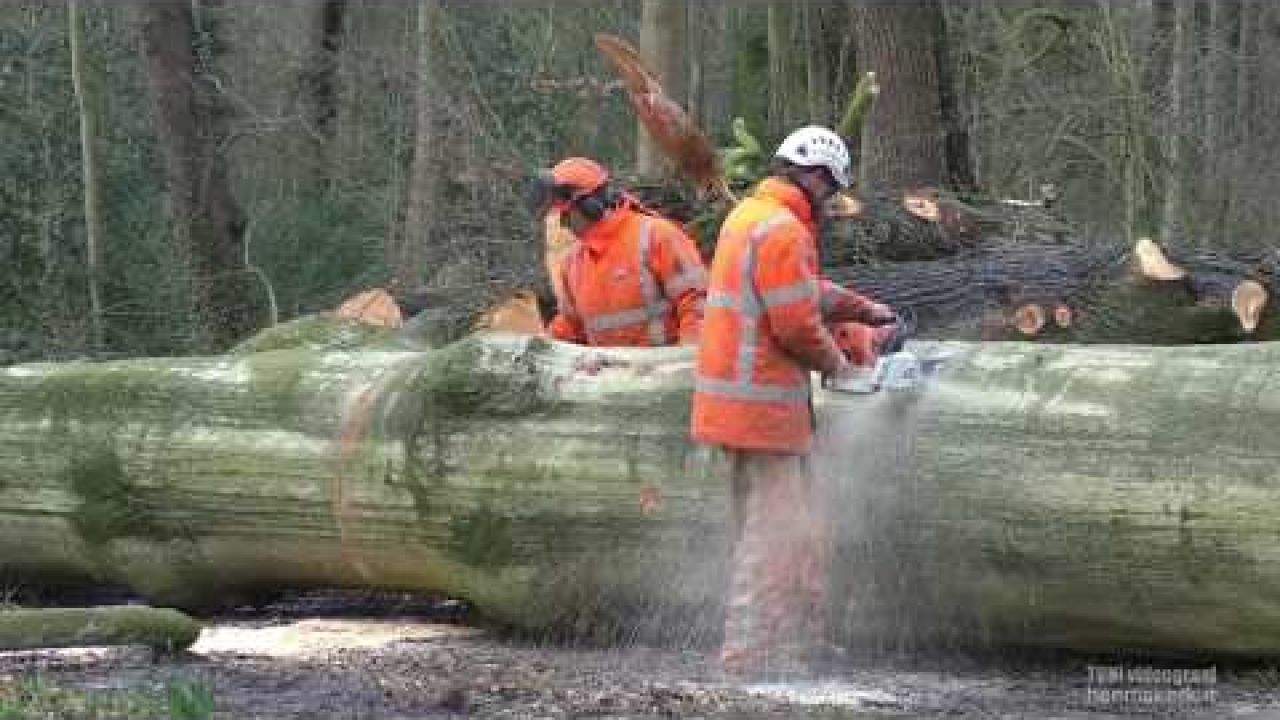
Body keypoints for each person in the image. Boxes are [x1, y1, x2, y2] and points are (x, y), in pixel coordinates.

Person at [690, 126, 897, 679]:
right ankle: (746, 661)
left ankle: (797, 643)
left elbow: (802, 293)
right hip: (761, 410)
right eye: (830, 191)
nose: (830, 202)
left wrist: (861, 310)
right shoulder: (784, 231)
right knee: (773, 538)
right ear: (816, 177)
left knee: (787, 529)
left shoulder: (751, 217)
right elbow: (798, 325)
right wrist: (843, 368)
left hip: (732, 407)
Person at [530, 157, 707, 347]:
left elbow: (696, 304)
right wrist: (542, 348)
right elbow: (571, 325)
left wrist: (687, 358)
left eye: (565, 214)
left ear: (590, 206)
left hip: (661, 369)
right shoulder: (573, 263)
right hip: (609, 373)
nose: (563, 224)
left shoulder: (656, 236)